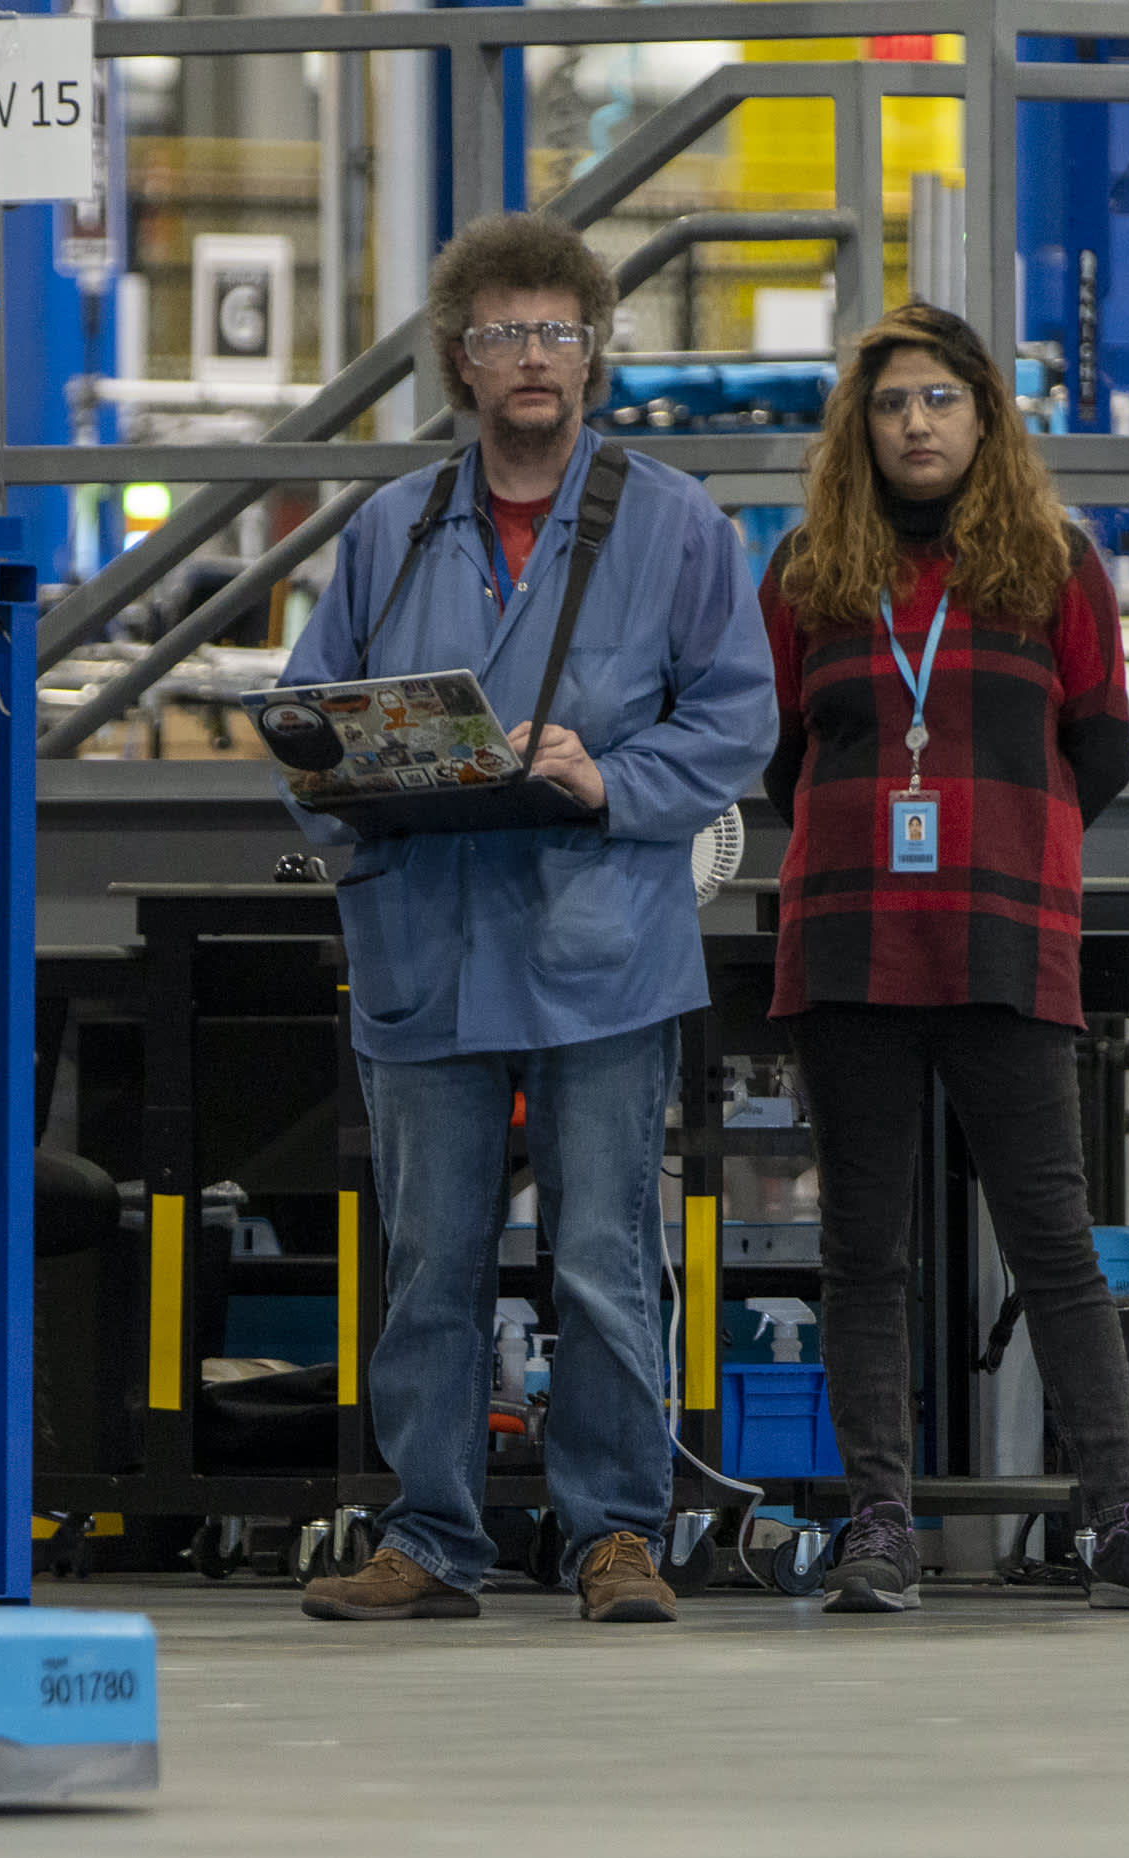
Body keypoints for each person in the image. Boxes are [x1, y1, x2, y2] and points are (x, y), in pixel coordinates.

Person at [279, 218, 774, 1626]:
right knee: (431, 1256)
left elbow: (738, 715)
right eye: (503, 334)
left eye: (557, 330)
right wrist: (357, 773)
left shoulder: (675, 524)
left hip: (598, 945)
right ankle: (429, 1535)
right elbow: (310, 724)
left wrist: (610, 778)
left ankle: (617, 1534)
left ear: (594, 351)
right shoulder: (391, 531)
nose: (532, 358)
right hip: (427, 946)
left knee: (605, 1256)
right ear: (460, 361)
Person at [754, 302, 1129, 1617]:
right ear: (862, 424)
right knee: (863, 1249)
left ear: (985, 418)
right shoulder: (805, 570)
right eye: (893, 402)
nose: (916, 423)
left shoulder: (1052, 564)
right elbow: (782, 758)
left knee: (1053, 1239)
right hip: (850, 935)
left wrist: (1004, 839)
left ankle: (1125, 1521)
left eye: (940, 401)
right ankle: (880, 1528)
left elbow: (1104, 750)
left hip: (1005, 934)